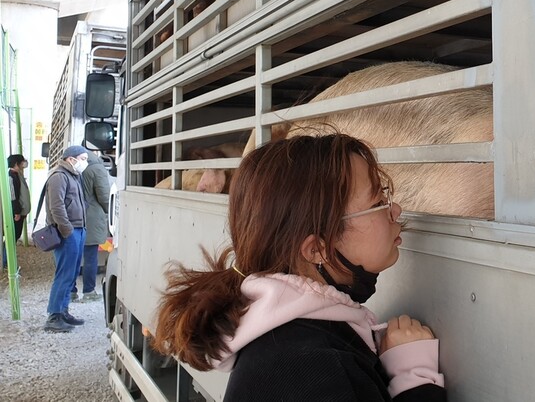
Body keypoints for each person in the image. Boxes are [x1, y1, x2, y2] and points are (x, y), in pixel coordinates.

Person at [153, 134, 446, 401]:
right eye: (379, 201)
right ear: (317, 249)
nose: (396, 210)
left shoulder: (294, 343)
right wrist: (413, 378)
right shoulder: (311, 370)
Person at [43, 145, 89, 333]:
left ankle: (63, 311)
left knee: (71, 274)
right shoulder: (59, 177)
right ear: (71, 159)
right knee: (64, 274)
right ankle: (54, 316)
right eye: (83, 158)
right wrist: (67, 230)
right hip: (68, 232)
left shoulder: (73, 176)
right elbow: (57, 207)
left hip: (78, 230)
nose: (85, 162)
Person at [72, 150, 110, 302]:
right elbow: (104, 196)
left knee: (73, 256)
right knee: (90, 257)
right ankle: (89, 291)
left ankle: (71, 292)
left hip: (74, 216)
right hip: (92, 218)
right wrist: (110, 212)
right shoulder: (97, 168)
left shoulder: (73, 167)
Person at [2, 153, 30, 269]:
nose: (24, 163)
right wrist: (17, 212)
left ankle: (7, 261)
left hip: (19, 212)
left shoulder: (17, 174)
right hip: (16, 213)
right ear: (16, 164)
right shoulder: (11, 177)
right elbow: (13, 197)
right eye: (22, 161)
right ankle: (6, 261)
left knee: (14, 236)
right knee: (11, 237)